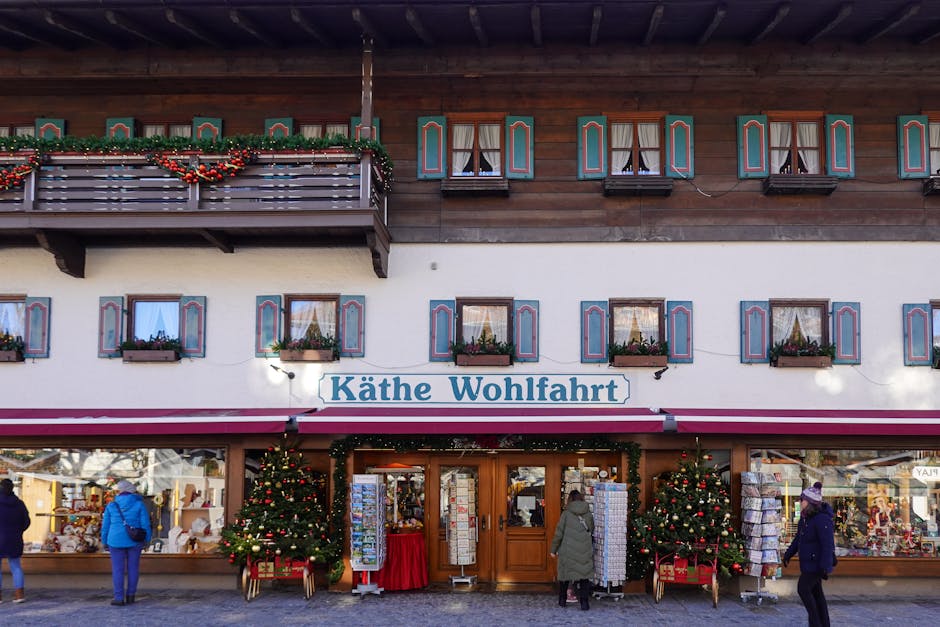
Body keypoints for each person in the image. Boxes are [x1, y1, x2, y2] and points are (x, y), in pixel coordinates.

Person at [783, 481, 835, 627]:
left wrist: (825, 566)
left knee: (803, 589)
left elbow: (827, 544)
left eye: (802, 500)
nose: (800, 502)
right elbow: (798, 539)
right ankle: (823, 623)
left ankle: (816, 623)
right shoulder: (805, 519)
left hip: (817, 564)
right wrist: (788, 554)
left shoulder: (822, 519)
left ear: (810, 502)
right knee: (817, 594)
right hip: (808, 563)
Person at [102, 479, 152, 606]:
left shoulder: (111, 506)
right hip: (135, 540)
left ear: (120, 491)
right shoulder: (139, 504)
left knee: (117, 570)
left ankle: (119, 597)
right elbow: (145, 524)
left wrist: (104, 541)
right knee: (133, 568)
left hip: (115, 541)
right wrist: (147, 540)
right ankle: (131, 596)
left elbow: (105, 526)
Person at [549, 490, 594, 611]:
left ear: (570, 500)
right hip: (584, 549)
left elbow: (559, 533)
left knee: (565, 575)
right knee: (584, 575)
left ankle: (562, 600)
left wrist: (553, 549)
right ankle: (584, 603)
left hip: (567, 549)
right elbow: (591, 529)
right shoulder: (588, 514)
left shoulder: (566, 514)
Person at [0, 478, 30, 604]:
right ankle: (19, 595)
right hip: (15, 538)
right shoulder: (19, 504)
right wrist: (18, 531)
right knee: (16, 566)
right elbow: (26, 521)